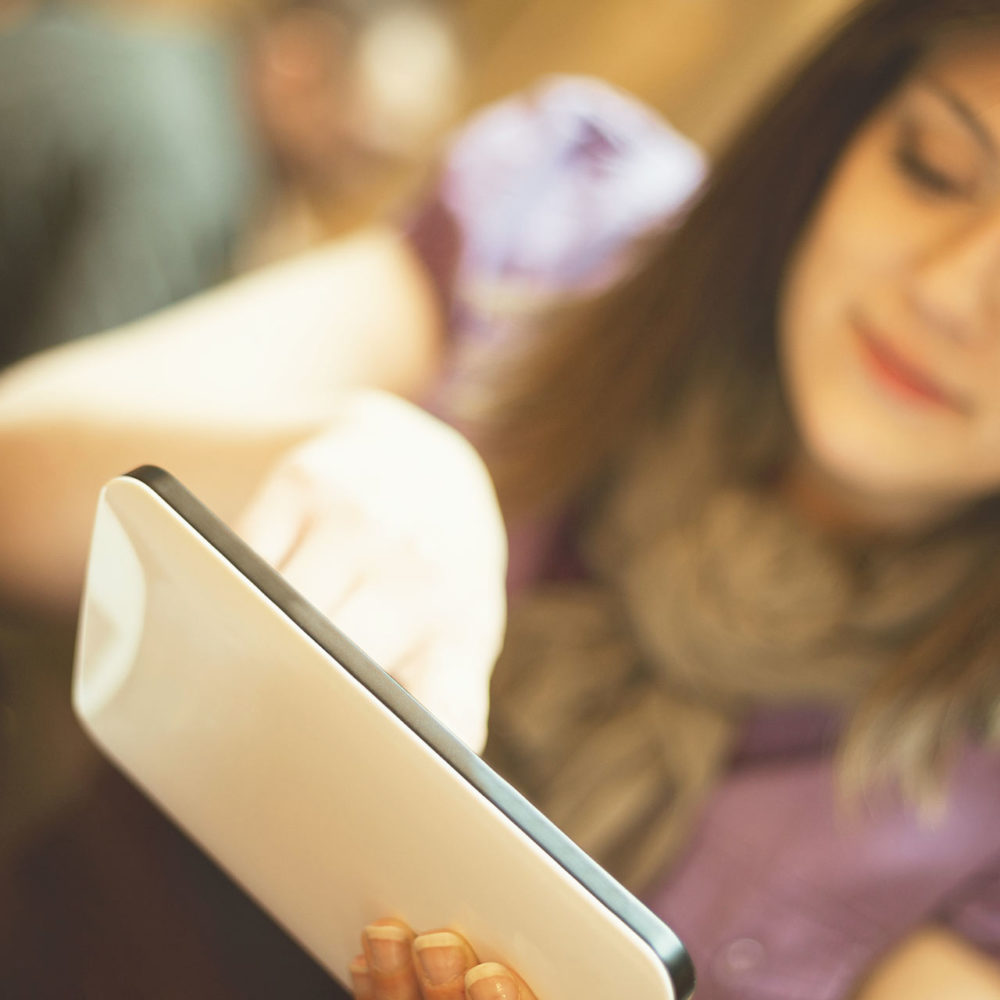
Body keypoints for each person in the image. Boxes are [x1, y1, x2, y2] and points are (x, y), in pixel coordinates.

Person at [4, 0, 1000, 997]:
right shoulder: (572, 231)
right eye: (933, 168)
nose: (951, 293)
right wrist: (345, 453)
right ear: (840, 128)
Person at [0, 0, 458, 368]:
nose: (359, 186)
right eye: (361, 150)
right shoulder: (194, 173)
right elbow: (66, 391)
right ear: (300, 62)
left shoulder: (166, 59)